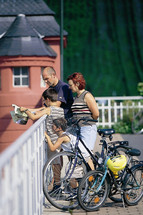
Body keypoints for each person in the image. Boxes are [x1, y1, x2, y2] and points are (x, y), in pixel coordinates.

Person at [45, 117, 95, 195]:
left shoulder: (62, 137)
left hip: (80, 156)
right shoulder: (66, 134)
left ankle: (77, 193)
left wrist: (47, 137)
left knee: (71, 177)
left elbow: (52, 148)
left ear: (59, 128)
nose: (51, 127)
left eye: (53, 126)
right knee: (86, 174)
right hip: (84, 153)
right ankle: (86, 189)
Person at [20, 88, 64, 158]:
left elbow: (34, 117)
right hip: (59, 136)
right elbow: (39, 111)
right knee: (58, 158)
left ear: (48, 99)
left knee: (54, 163)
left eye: (44, 100)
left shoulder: (48, 109)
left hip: (52, 139)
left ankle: (59, 170)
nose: (43, 102)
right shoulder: (61, 109)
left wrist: (25, 110)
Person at [67, 72, 99, 153]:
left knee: (86, 154)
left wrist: (88, 122)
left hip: (87, 128)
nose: (70, 88)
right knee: (82, 154)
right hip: (79, 128)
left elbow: (96, 114)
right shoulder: (77, 97)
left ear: (77, 83)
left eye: (71, 85)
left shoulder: (87, 95)